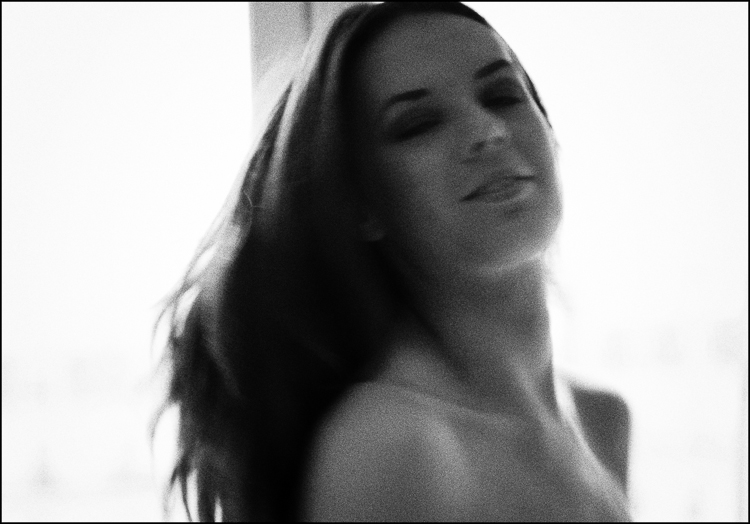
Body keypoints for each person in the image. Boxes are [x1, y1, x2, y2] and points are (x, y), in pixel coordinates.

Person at [150, 2, 631, 521]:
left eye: (502, 94)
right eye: (418, 124)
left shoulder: (601, 419)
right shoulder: (390, 448)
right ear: (361, 202)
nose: (486, 131)